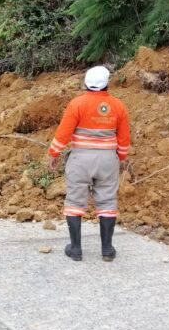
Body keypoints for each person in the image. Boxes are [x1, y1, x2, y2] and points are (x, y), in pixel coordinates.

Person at [47, 65, 131, 262]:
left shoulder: (77, 104)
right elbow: (124, 138)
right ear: (107, 83)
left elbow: (64, 132)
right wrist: (120, 157)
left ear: (86, 83)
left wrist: (54, 153)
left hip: (80, 159)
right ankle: (107, 249)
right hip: (108, 159)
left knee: (75, 201)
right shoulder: (118, 106)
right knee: (107, 201)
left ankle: (75, 249)